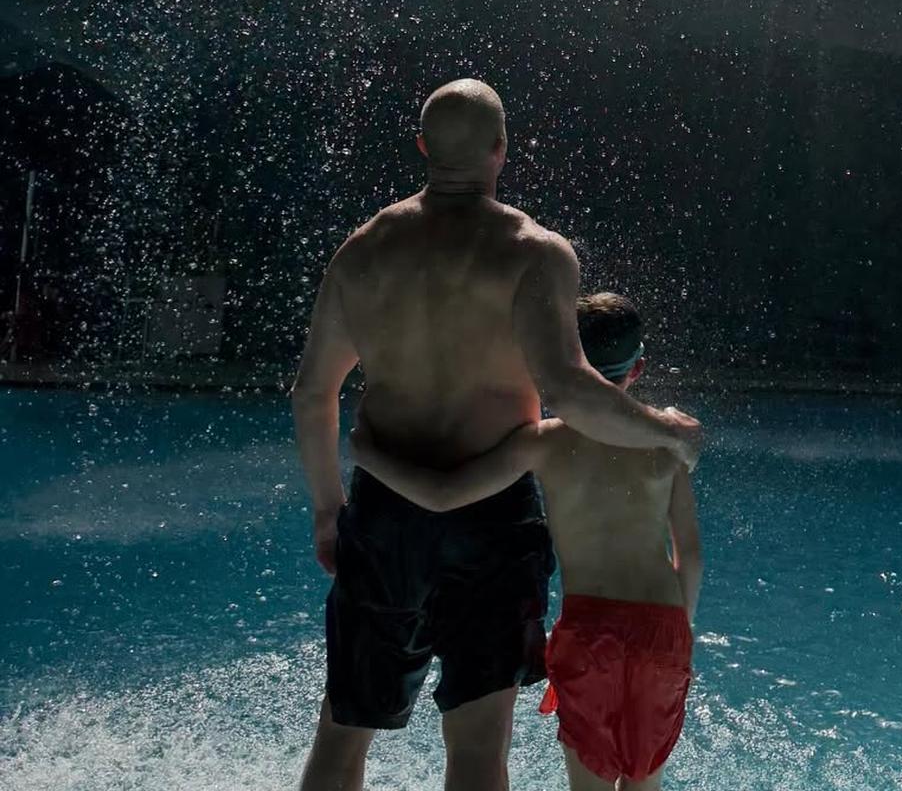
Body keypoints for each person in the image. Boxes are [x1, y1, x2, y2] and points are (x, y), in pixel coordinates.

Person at [290, 80, 702, 791]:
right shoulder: (533, 251)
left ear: (422, 148)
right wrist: (662, 428)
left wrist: (330, 511)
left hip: (387, 505)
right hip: (493, 519)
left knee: (344, 733)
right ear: (500, 151)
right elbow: (572, 390)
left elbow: (313, 393)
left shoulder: (362, 251)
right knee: (478, 750)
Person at [352, 292, 703, 791]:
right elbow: (689, 554)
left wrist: (368, 454)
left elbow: (444, 494)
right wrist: (679, 627)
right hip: (662, 625)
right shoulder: (666, 445)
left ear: (563, 367)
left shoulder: (543, 441)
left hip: (590, 627)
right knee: (645, 784)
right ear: (639, 368)